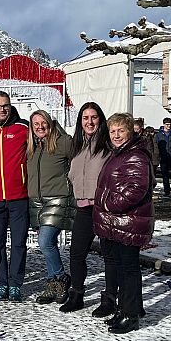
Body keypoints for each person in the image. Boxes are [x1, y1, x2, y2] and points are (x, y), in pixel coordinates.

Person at [93, 112, 154, 334]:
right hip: (118, 223)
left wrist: (108, 203)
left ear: (130, 131)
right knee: (121, 268)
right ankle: (125, 309)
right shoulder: (119, 153)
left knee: (129, 270)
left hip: (129, 222)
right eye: (113, 131)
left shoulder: (135, 155)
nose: (116, 135)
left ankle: (131, 315)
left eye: (121, 130)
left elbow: (137, 189)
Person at [60, 102, 112, 314]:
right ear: (80, 121)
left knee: (109, 255)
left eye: (94, 117)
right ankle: (77, 294)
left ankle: (110, 298)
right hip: (83, 207)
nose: (89, 122)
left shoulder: (108, 144)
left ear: (100, 119)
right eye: (85, 118)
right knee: (76, 253)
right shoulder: (77, 145)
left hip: (104, 208)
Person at [0, 90, 29, 301]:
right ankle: (1, 282)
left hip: (19, 196)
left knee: (19, 242)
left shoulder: (23, 127)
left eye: (5, 105)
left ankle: (15, 283)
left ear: (10, 106)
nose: (1, 109)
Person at [27, 110, 75, 305]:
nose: (40, 126)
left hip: (57, 198)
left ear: (50, 122)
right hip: (36, 201)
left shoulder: (63, 142)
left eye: (43, 122)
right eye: (35, 124)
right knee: (49, 245)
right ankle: (52, 284)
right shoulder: (32, 146)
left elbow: (77, 163)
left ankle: (61, 278)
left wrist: (72, 186)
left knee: (45, 241)